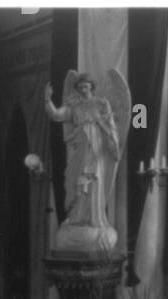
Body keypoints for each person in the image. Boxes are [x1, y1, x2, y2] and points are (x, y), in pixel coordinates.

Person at [44, 73, 120, 235]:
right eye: (79, 87)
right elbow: (56, 115)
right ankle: (77, 217)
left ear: (91, 87)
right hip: (80, 147)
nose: (83, 90)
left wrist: (108, 121)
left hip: (96, 146)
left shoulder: (101, 104)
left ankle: (94, 218)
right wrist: (47, 100)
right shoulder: (74, 106)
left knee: (93, 180)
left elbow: (110, 126)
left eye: (85, 87)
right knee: (75, 179)